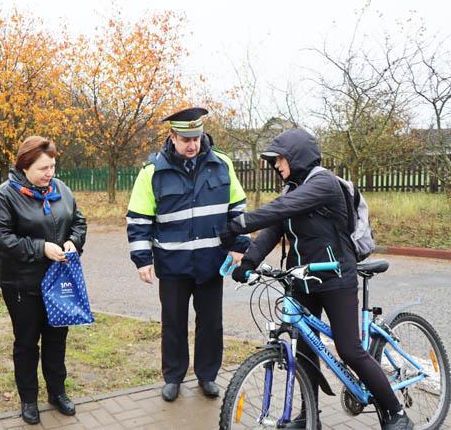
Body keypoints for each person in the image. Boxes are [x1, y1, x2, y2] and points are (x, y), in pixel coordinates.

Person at [224, 128, 414, 430]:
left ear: (297, 156)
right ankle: (308, 415)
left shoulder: (323, 183)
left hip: (335, 276)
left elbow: (281, 209)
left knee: (349, 349)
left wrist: (240, 223)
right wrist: (248, 262)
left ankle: (396, 413)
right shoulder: (292, 190)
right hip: (301, 280)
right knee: (305, 352)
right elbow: (274, 227)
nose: (277, 165)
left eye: (280, 159)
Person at [126, 107, 250, 402]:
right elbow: (139, 219)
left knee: (211, 324)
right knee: (173, 324)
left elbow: (239, 210)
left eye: (196, 137)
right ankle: (173, 377)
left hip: (211, 263)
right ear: (172, 137)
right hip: (173, 265)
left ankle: (207, 376)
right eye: (185, 139)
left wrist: (238, 246)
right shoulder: (152, 171)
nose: (192, 144)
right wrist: (142, 259)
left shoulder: (222, 165)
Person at [0, 136, 87, 425]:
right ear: (24, 166)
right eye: (43, 168)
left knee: (57, 339)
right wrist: (40, 247)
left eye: (53, 166)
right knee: (27, 342)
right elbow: (1, 238)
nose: (49, 174)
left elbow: (79, 222)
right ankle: (28, 399)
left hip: (59, 281)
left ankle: (57, 393)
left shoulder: (62, 190)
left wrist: (73, 242)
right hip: (22, 284)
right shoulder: (6, 195)